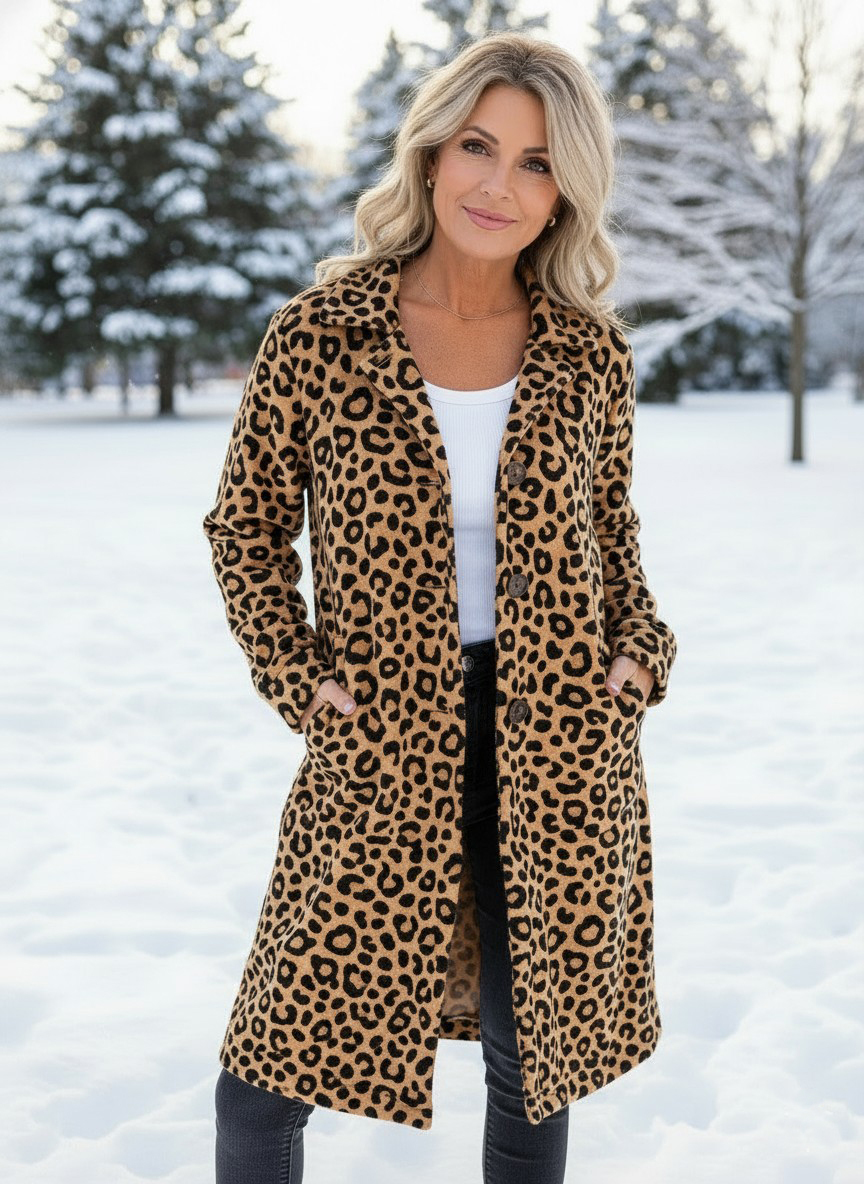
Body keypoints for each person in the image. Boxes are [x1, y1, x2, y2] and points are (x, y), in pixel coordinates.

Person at [205, 29, 677, 1184]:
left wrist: (638, 654)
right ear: (429, 153)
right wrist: (299, 675)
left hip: (557, 741)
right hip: (381, 735)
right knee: (264, 1077)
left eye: (535, 161)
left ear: (564, 190)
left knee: (531, 1064)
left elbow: (613, 537)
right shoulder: (322, 333)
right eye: (478, 146)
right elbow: (245, 530)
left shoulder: (588, 354)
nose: (498, 183)